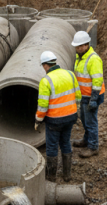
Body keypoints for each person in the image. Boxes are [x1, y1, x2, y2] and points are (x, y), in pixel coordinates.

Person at [35, 50, 81, 183]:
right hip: (70, 118)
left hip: (54, 121)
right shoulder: (70, 74)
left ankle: (51, 177)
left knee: (52, 147)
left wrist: (38, 119)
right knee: (65, 143)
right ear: (55, 62)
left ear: (45, 65)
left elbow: (43, 105)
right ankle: (67, 175)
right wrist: (71, 110)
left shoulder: (46, 80)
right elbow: (78, 96)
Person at [71, 31, 105, 158]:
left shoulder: (93, 59)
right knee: (85, 120)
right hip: (84, 95)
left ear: (87, 45)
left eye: (80, 46)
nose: (78, 49)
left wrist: (94, 98)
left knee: (91, 122)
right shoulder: (80, 57)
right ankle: (86, 140)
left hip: (92, 95)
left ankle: (93, 146)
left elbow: (97, 80)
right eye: (77, 46)